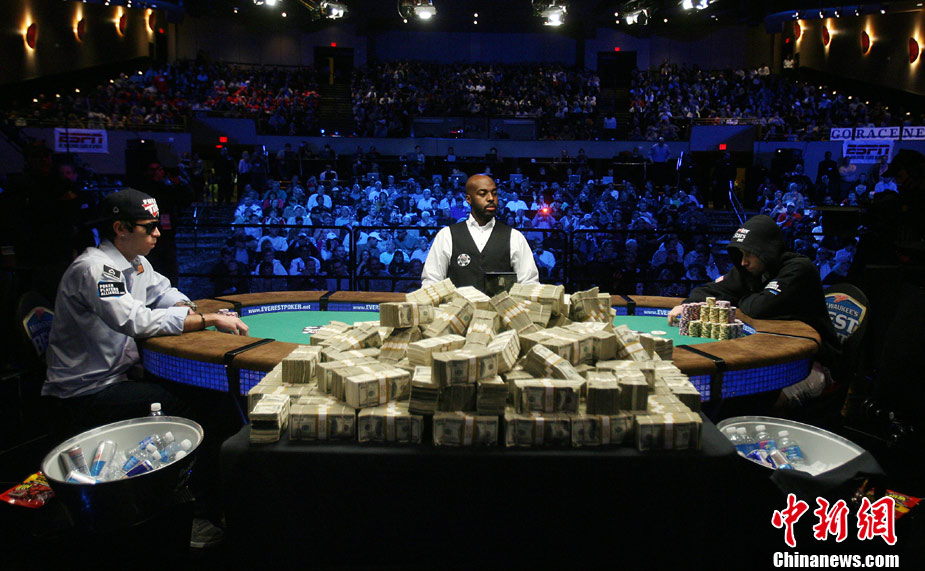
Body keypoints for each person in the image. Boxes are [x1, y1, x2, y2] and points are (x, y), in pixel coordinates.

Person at [42, 187, 248, 547]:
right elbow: (136, 321)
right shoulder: (95, 269)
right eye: (148, 227)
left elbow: (164, 292)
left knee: (211, 400)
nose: (157, 233)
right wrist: (208, 319)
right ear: (120, 228)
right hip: (85, 392)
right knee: (194, 413)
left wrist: (188, 308)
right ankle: (197, 517)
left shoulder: (136, 263)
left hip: (119, 377)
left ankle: (218, 502)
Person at [666, 215, 839, 408]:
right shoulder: (751, 270)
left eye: (749, 254)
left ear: (766, 251)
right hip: (777, 355)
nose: (743, 262)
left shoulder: (799, 269)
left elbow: (758, 308)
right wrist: (688, 304)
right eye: (741, 254)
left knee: (762, 403)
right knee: (735, 392)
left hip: (812, 363)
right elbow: (710, 290)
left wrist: (739, 298)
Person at [421, 174, 539, 293]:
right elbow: (431, 282)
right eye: (483, 194)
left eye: (494, 193)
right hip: (457, 305)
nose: (491, 198)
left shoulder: (515, 237)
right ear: (468, 199)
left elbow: (528, 284)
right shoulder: (447, 235)